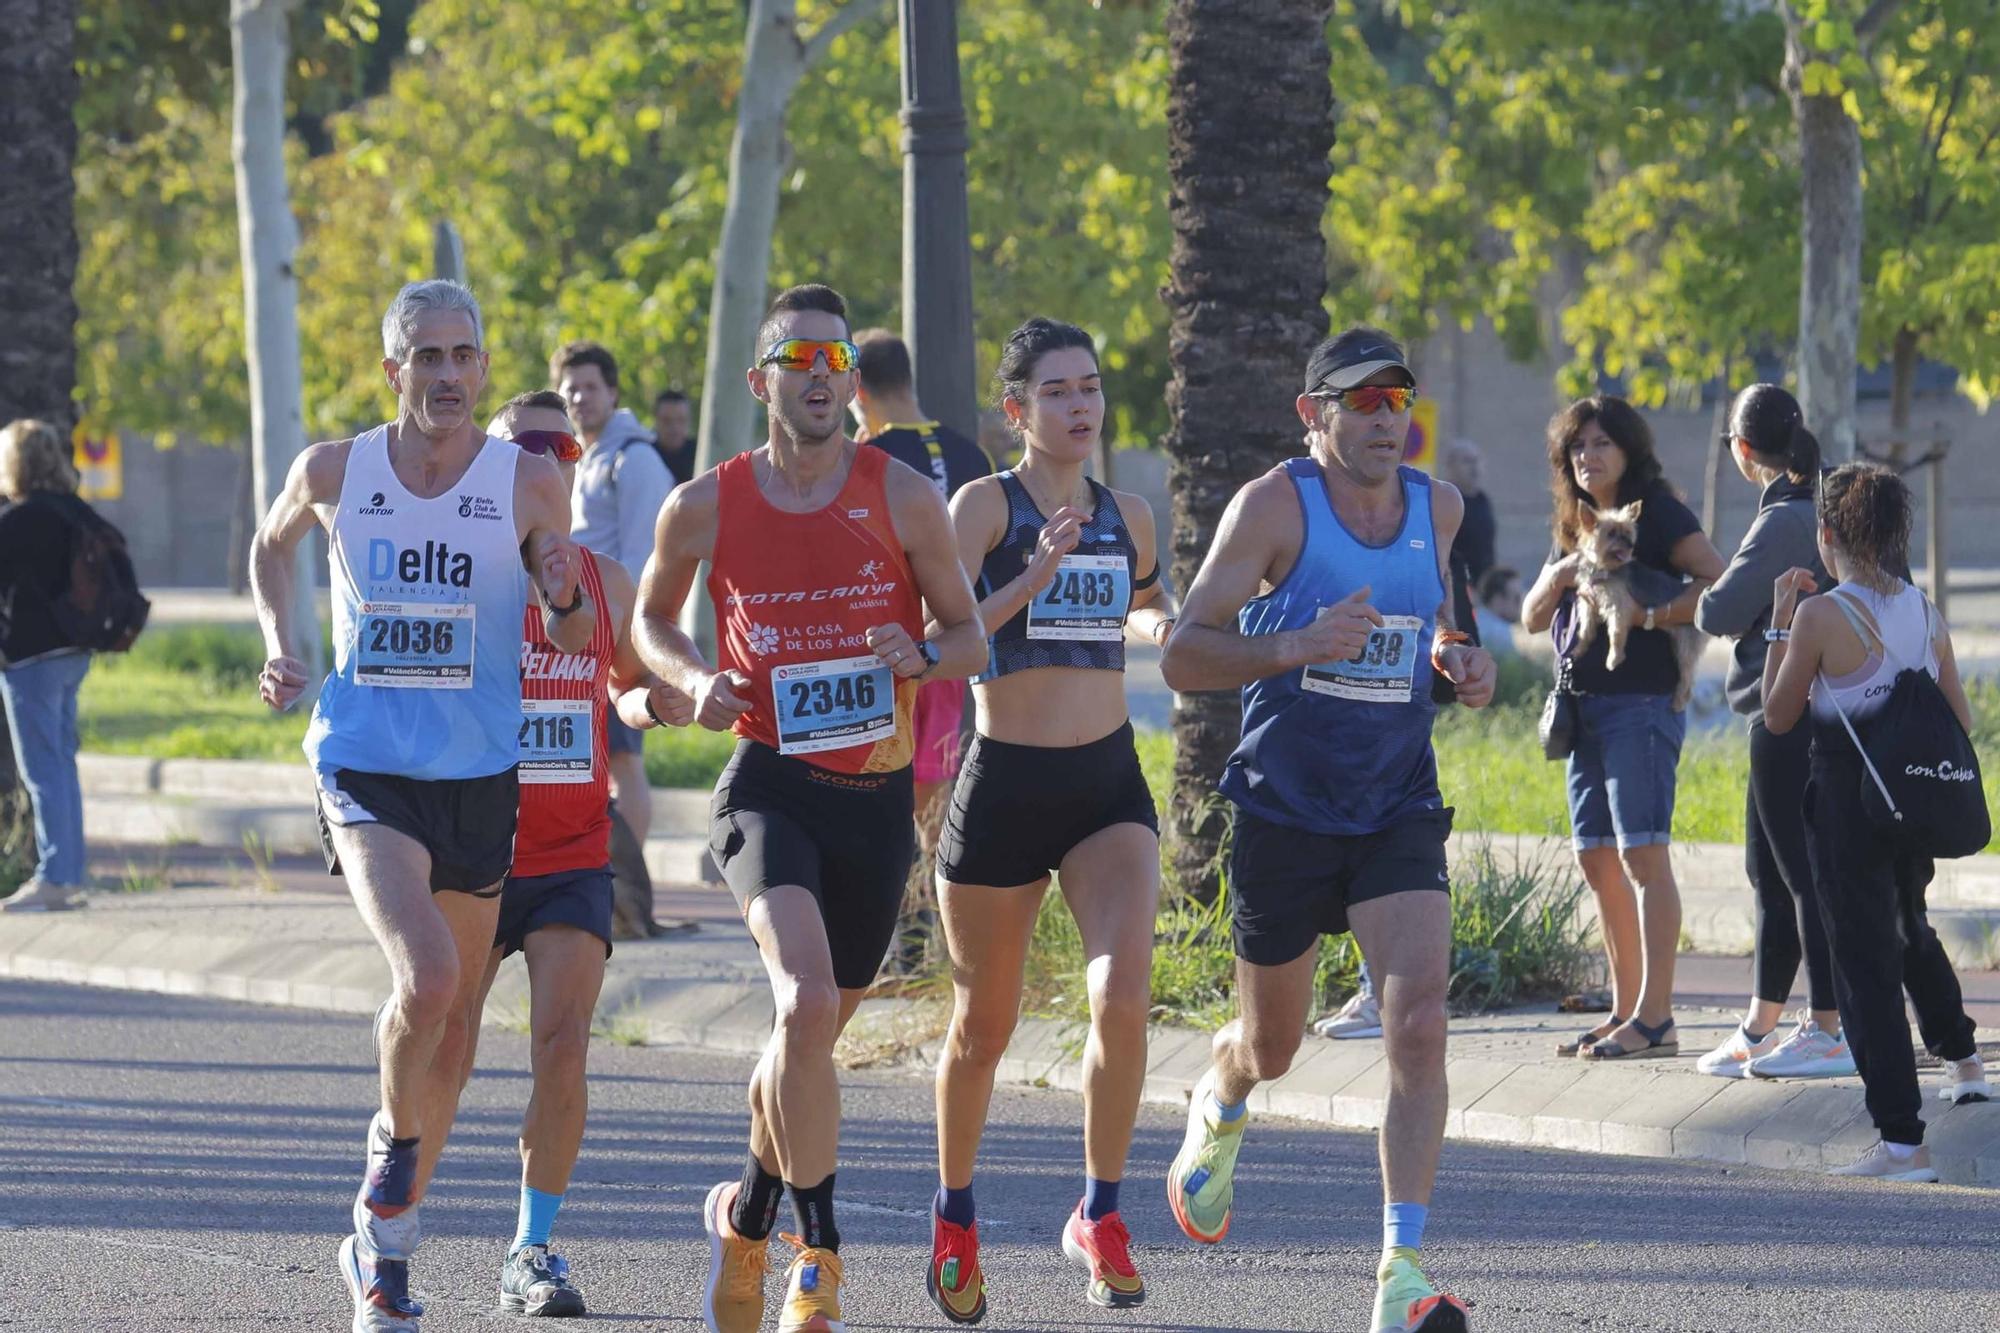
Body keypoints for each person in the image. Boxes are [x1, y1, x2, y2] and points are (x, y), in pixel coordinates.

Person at [632, 283, 985, 1333]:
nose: (823, 377)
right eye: (800, 361)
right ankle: (817, 1257)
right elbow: (651, 620)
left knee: (810, 1035)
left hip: (872, 801)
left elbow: (969, 638)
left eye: (836, 361)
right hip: (767, 785)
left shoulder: (902, 495)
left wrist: (920, 652)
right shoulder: (705, 501)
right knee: (800, 1003)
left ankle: (746, 1213)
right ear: (762, 382)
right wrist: (691, 676)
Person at [251, 280, 593, 1333]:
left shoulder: (529, 481)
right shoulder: (335, 469)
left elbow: (571, 632)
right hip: (364, 765)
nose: (447, 375)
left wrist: (565, 590)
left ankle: (381, 1248)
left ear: (482, 369)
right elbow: (272, 547)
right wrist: (280, 641)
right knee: (430, 976)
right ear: (392, 368)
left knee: (452, 1034)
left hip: (481, 776)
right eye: (426, 357)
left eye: (463, 356)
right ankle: (390, 1173)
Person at [1159, 326, 1496, 1333]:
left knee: (1419, 1018)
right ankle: (1218, 1097)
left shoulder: (1437, 505)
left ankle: (1400, 1270)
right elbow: (1182, 653)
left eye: (1397, 398)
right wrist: (1297, 642)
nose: (1385, 416)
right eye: (1361, 400)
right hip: (1285, 806)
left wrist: (1459, 661)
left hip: (1394, 800)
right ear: (1312, 414)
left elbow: (1437, 620)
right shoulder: (1272, 505)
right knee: (1272, 1044)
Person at [925, 317, 1175, 1320]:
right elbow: (939, 637)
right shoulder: (981, 508)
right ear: (1015, 409)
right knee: (982, 1027)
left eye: (1090, 388)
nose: (1080, 406)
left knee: (1121, 997)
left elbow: (1145, 603)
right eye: (1058, 391)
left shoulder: (1130, 512)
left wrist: (1173, 623)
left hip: (1104, 788)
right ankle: (952, 1215)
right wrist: (1029, 576)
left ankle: (1100, 1212)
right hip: (1003, 787)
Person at [450, 390, 695, 1317]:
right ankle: (389, 1228)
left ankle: (531, 1248)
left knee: (563, 1047)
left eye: (558, 447)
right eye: (522, 449)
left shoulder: (603, 581)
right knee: (446, 1048)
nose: (542, 464)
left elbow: (622, 692)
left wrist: (655, 704)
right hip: (471, 848)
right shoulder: (461, 574)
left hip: (570, 852)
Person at [1762, 462, 1991, 1181]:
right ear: (1896, 534)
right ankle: (1965, 1061)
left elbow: (1777, 714)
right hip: (1910, 801)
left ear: (1827, 534)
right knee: (1911, 931)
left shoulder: (1822, 614)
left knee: (1865, 968)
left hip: (1845, 805)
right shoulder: (1925, 611)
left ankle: (1902, 1142)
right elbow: (1959, 718)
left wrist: (1777, 621)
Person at [1520, 397, 1723, 1061]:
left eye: (1602, 443)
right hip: (1583, 709)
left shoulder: (1656, 512)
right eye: (1578, 446)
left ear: (1630, 450)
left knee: (1642, 853)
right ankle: (1624, 1009)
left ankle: (1656, 1018)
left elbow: (1719, 586)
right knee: (1596, 857)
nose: (1589, 456)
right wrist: (1559, 571)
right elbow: (1528, 619)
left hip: (1641, 704)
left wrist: (1649, 616)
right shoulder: (1576, 523)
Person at [1691, 385, 1852, 1081]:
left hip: (1790, 711)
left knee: (1801, 875)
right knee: (1770, 872)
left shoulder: (1786, 516)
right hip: (1822, 708)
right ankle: (1761, 1023)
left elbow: (1716, 608)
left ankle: (1827, 1028)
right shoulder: (1833, 500)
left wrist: (1740, 606)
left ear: (1743, 449)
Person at [849, 327, 995, 971]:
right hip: (960, 652)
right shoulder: (971, 453)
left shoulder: (868, 458)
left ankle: (901, 948)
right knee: (938, 809)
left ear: (858, 389)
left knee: (884, 801)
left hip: (896, 656)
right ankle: (945, 949)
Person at [554, 340, 674, 855]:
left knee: (623, 764)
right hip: (571, 633)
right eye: (570, 388)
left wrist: (618, 632)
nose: (580, 398)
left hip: (616, 633)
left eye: (590, 387)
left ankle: (624, 887)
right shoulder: (574, 459)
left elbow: (641, 558)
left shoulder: (634, 459)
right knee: (590, 764)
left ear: (613, 392)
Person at [0, 420, 96, 913]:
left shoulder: (17, 520)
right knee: (61, 764)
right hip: (74, 654)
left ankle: (55, 877)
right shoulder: (75, 511)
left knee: (42, 771)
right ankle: (70, 876)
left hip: (30, 658)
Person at [1439, 439, 1496, 585]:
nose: (1474, 467)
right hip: (1455, 585)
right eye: (1467, 461)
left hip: (1484, 585)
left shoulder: (1482, 500)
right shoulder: (1443, 500)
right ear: (1451, 466)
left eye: (1476, 460)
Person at [652, 387, 698, 487]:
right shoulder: (646, 456)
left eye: (681, 420)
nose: (674, 428)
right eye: (666, 420)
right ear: (656, 421)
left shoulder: (700, 454)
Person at [1472, 567, 1521, 660]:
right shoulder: (1499, 632)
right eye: (1516, 599)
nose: (1520, 604)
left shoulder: (1474, 621)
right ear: (1497, 600)